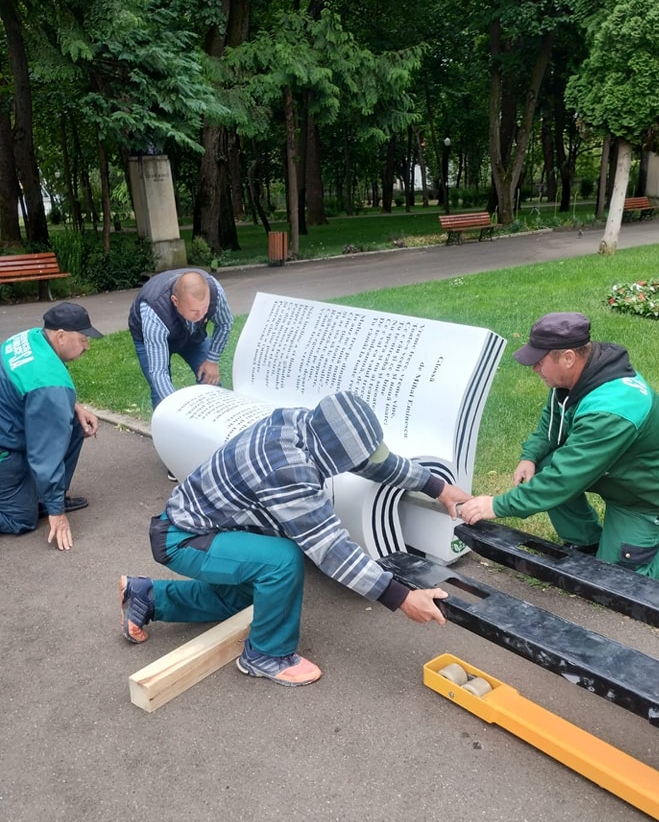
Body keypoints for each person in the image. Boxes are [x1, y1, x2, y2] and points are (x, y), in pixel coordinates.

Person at [119, 391, 472, 686]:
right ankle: (265, 655)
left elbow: (373, 463)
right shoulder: (288, 468)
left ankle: (148, 597)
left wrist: (436, 487)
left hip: (210, 529)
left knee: (253, 597)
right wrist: (401, 597)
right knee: (283, 561)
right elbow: (331, 549)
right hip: (185, 539)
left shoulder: (306, 425)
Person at [458, 312, 659, 580]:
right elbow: (551, 422)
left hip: (652, 495)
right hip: (617, 474)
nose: (534, 368)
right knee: (543, 465)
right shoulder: (576, 377)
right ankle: (586, 541)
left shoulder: (611, 409)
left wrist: (496, 505)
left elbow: (564, 479)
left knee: (616, 579)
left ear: (568, 357)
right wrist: (530, 456)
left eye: (540, 361)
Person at [0, 302, 103, 550]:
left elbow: (30, 387)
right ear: (60, 336)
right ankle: (48, 501)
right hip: (5, 450)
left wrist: (74, 406)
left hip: (9, 426)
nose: (87, 345)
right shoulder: (51, 385)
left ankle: (46, 498)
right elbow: (44, 455)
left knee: (75, 423)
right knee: (21, 518)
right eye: (83, 339)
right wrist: (58, 514)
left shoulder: (29, 338)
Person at [128, 268, 234, 479]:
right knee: (161, 396)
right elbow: (158, 372)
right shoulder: (153, 311)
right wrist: (180, 415)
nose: (202, 315)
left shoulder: (214, 292)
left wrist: (212, 360)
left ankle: (217, 444)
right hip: (151, 336)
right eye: (195, 311)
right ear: (176, 301)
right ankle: (174, 455)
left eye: (205, 309)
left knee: (212, 383)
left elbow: (225, 323)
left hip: (193, 335)